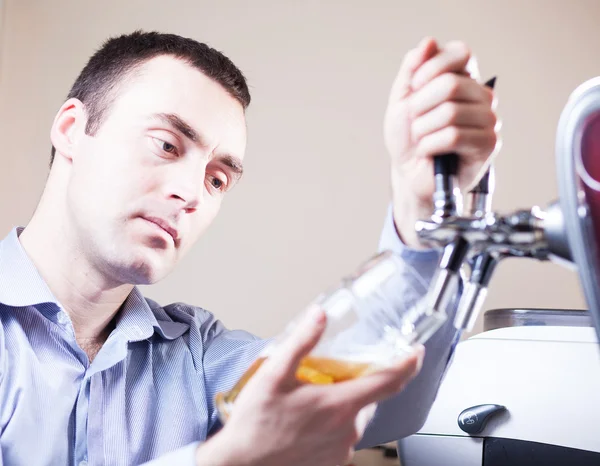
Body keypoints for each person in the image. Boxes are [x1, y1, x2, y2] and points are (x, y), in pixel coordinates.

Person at [0, 31, 497, 466]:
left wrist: (421, 209)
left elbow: (385, 403)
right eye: (167, 145)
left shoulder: (197, 355)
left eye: (217, 180)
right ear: (71, 131)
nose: (192, 193)